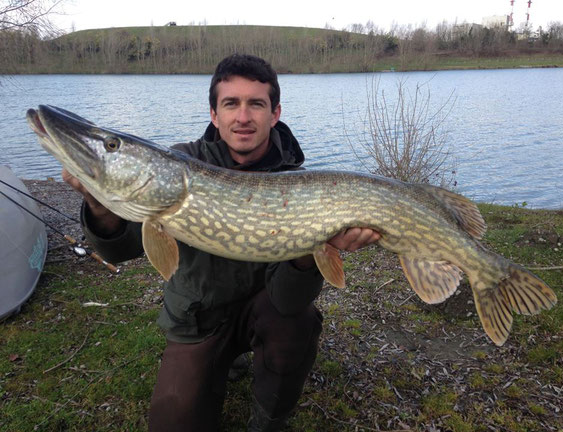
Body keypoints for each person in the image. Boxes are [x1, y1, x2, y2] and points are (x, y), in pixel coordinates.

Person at [64, 54, 380, 431]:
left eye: (256, 104)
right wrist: (101, 208)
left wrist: (310, 255)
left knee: (296, 323)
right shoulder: (181, 163)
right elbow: (121, 248)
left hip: (268, 311)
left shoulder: (297, 185)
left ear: (275, 113)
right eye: (231, 103)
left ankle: (268, 420)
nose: (243, 117)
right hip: (199, 317)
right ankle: (224, 362)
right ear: (214, 114)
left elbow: (289, 300)